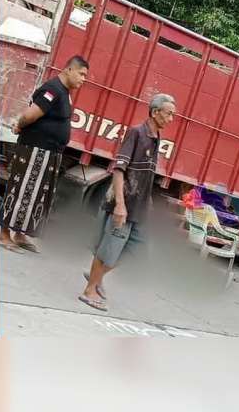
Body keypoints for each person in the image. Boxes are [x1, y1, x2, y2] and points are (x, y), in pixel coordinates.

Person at [80, 93, 177, 312]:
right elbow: (119, 169)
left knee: (137, 251)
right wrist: (120, 205)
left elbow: (145, 174)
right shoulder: (137, 133)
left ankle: (97, 276)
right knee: (109, 248)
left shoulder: (156, 137)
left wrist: (148, 202)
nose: (171, 119)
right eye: (169, 114)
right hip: (125, 204)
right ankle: (89, 290)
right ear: (155, 112)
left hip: (139, 208)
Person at [0, 56, 89, 254]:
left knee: (35, 196)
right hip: (35, 150)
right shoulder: (53, 89)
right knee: (21, 191)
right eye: (81, 74)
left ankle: (20, 234)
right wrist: (18, 126)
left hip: (49, 153)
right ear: (69, 70)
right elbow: (30, 115)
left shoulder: (64, 92)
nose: (83, 79)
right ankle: (4, 235)